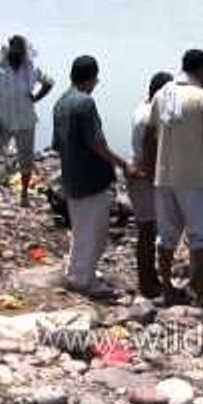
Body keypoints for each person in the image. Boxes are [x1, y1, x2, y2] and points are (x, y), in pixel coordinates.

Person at [143, 49, 203, 307]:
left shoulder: (162, 94)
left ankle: (167, 289)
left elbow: (149, 136)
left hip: (164, 177)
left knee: (166, 236)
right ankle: (201, 292)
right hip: (195, 179)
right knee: (202, 236)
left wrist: (150, 170)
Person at [52, 55, 133, 300]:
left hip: (71, 176)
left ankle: (77, 272)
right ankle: (84, 280)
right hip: (91, 178)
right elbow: (97, 143)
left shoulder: (60, 103)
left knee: (81, 230)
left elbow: (56, 145)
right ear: (92, 78)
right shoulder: (85, 103)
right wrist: (122, 164)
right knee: (95, 232)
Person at [0, 35, 54, 207]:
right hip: (3, 122)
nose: (18, 54)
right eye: (15, 49)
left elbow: (49, 82)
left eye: (21, 50)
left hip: (26, 122)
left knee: (26, 160)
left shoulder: (31, 68)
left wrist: (36, 98)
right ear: (8, 50)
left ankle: (24, 195)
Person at [129, 71, 173, 298]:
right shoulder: (150, 116)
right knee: (147, 230)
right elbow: (150, 148)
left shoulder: (143, 107)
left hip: (139, 172)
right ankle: (147, 282)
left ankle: (149, 277)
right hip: (145, 175)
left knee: (148, 229)